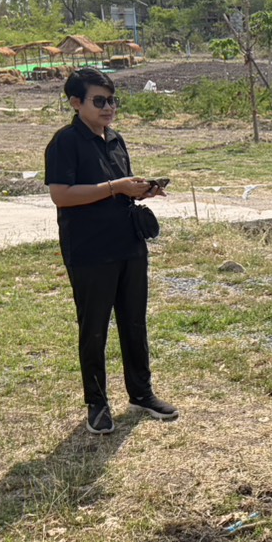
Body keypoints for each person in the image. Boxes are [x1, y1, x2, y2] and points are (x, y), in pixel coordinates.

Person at [44, 67, 178, 435]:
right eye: (99, 101)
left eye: (112, 101)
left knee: (134, 322)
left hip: (129, 244)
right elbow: (61, 195)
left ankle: (141, 393)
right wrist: (115, 187)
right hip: (89, 250)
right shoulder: (65, 142)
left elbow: (119, 188)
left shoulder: (116, 140)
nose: (108, 108)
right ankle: (97, 404)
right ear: (76, 103)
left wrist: (141, 190)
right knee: (94, 329)